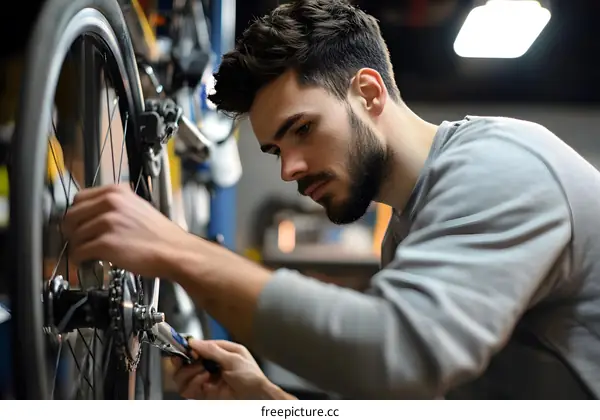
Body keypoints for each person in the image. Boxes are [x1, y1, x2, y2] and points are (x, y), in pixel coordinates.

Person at [63, 0, 600, 399]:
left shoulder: (501, 164)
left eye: (302, 129)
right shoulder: (410, 231)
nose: (289, 168)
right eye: (275, 148)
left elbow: (400, 355)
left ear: (368, 94)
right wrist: (267, 401)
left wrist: (179, 251)